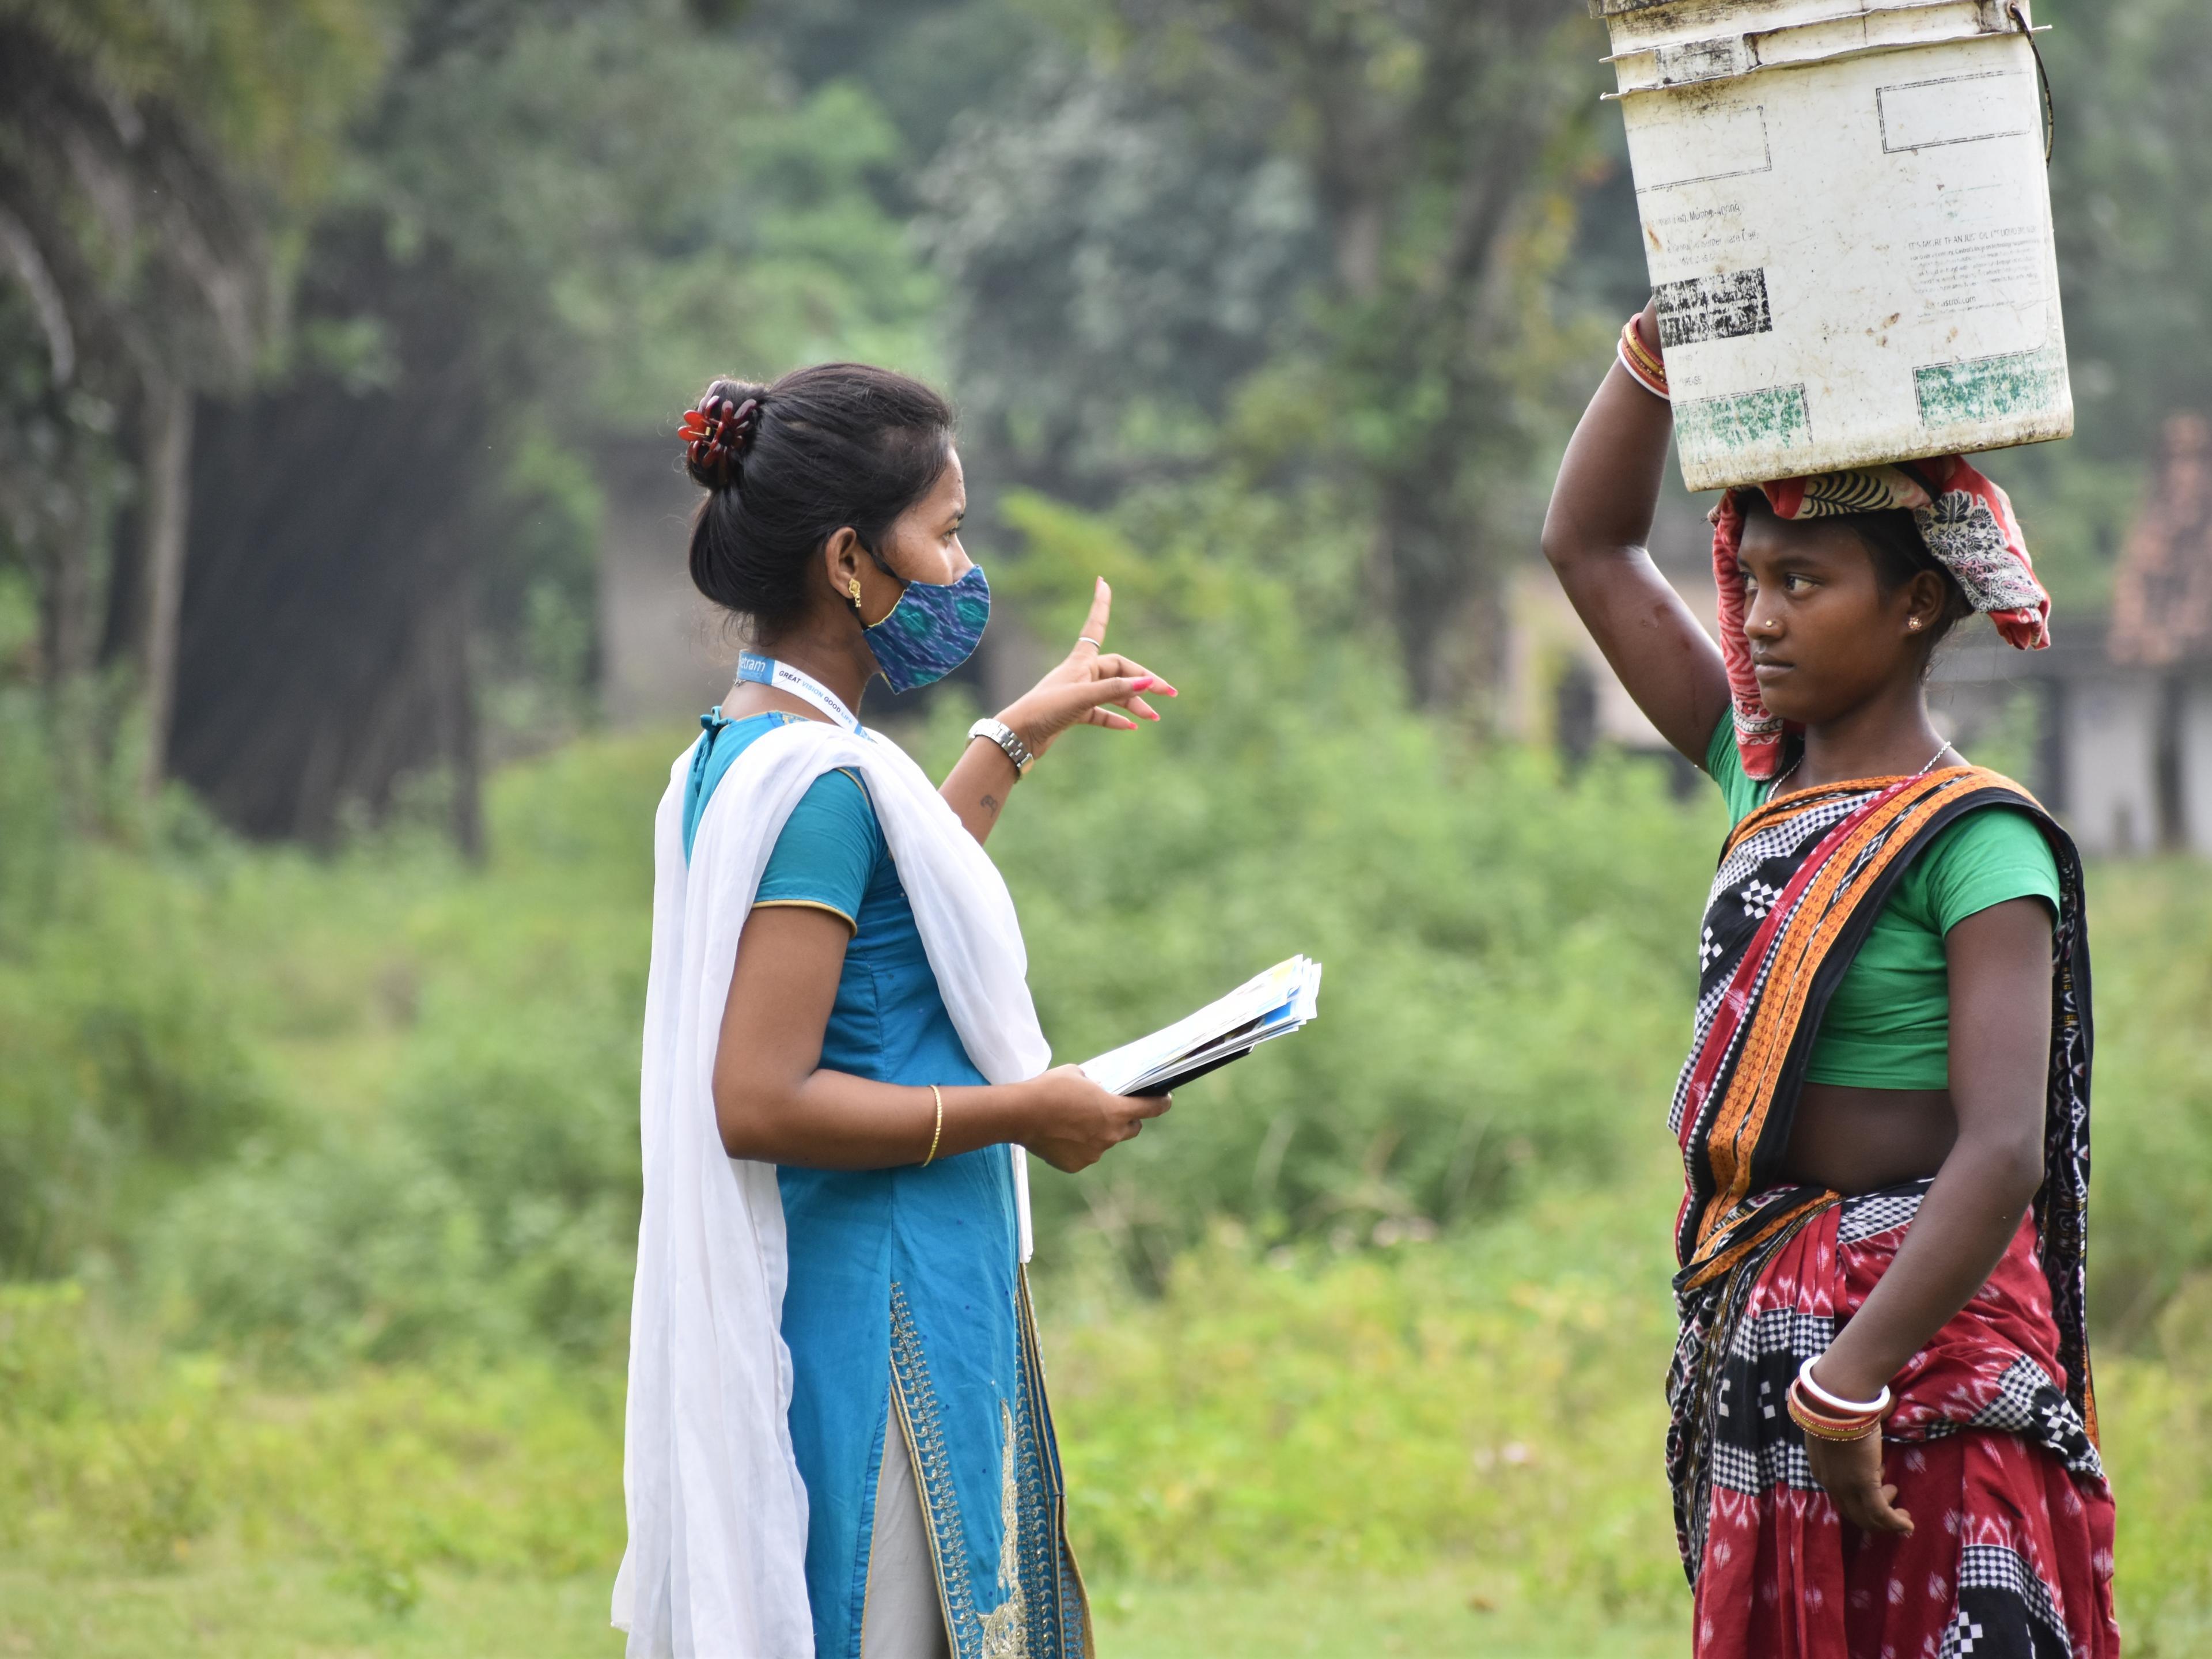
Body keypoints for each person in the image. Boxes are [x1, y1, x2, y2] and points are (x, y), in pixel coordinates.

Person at [1540, 300, 2119, 1658]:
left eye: (1806, 581)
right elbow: (1588, 544)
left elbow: (2000, 1150)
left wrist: (1848, 1383)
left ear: (1918, 602)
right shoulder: (1761, 773)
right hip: (1773, 1300)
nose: (1762, 613)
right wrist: (1656, 350)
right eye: (1751, 581)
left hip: (1926, 1336)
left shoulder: (1977, 841)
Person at [613, 363, 1175, 1658]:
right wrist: (1026, 1109)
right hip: (882, 1315)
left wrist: (1018, 735)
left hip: (891, 1282)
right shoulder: (813, 782)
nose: (963, 568)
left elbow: (893, 894)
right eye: (949, 531)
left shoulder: (747, 747)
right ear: (853, 562)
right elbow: (757, 1097)